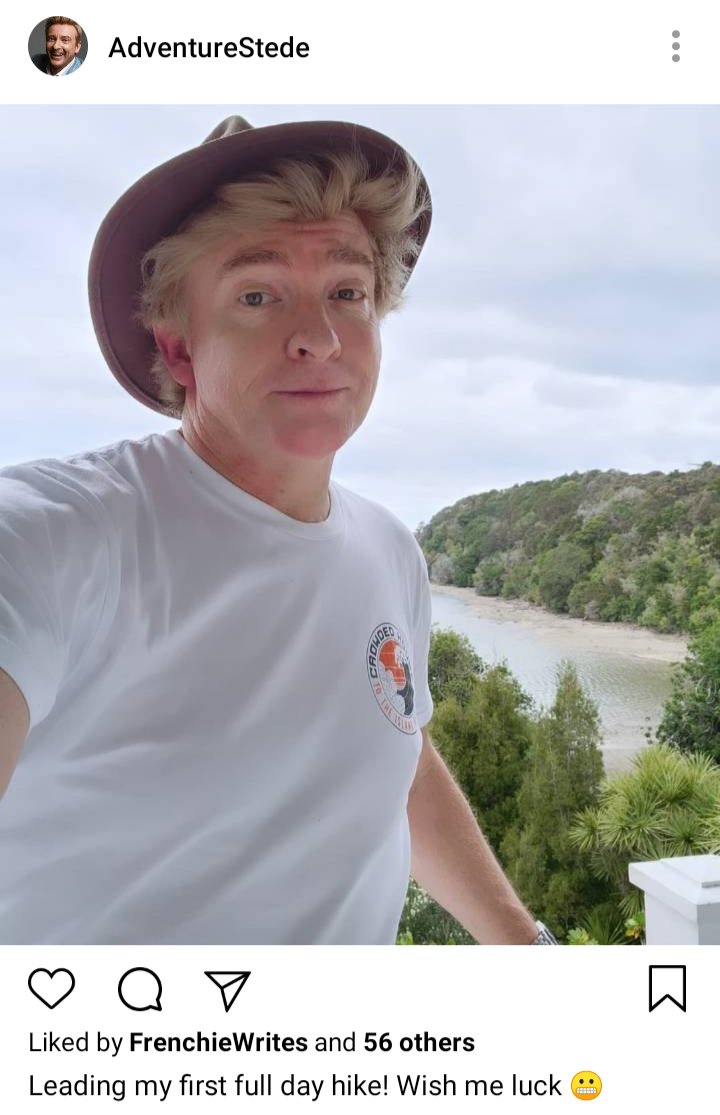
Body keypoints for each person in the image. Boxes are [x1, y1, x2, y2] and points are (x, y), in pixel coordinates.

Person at [0, 115, 556, 945]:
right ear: (178, 348)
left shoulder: (388, 552)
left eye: (347, 293)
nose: (318, 338)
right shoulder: (55, 536)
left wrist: (523, 944)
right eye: (258, 295)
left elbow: (396, 756)